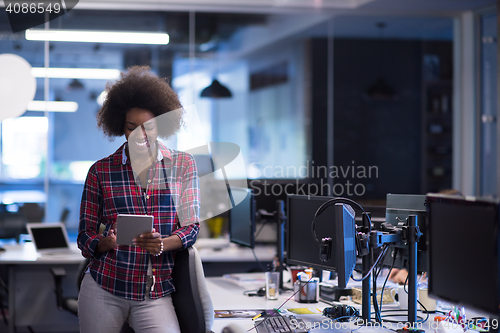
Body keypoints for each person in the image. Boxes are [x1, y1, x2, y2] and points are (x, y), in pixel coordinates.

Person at [77, 66, 200, 333]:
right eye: (132, 127)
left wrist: (162, 244)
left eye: (148, 127)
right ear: (120, 126)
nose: (140, 136)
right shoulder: (101, 171)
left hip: (154, 293)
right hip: (105, 287)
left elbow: (191, 228)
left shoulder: (183, 165)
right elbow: (84, 236)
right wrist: (104, 242)